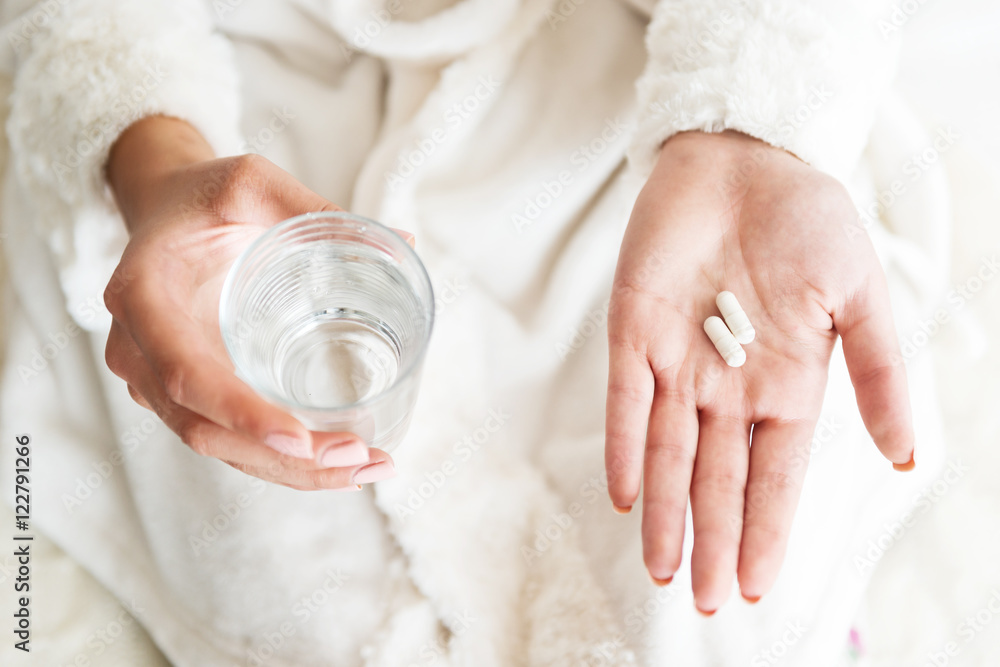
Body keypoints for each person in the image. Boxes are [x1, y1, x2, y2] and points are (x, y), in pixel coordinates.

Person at [0, 0, 944, 664]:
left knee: (714, 596)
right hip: (232, 117)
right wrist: (151, 165)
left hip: (658, 90)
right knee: (309, 608)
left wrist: (751, 128)